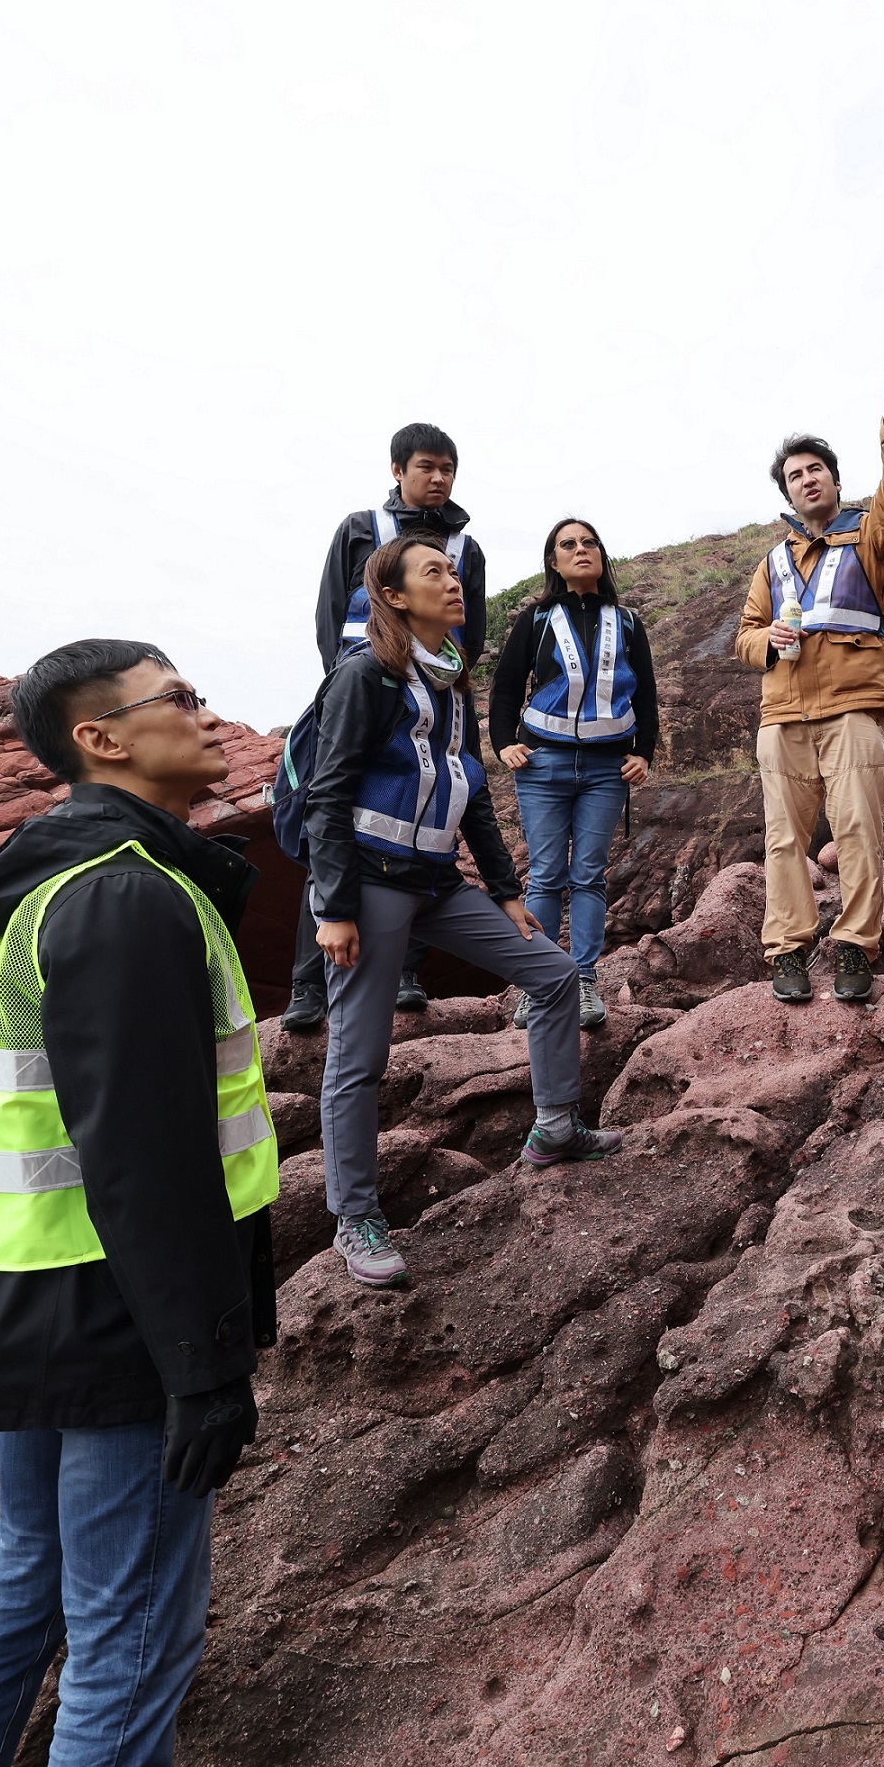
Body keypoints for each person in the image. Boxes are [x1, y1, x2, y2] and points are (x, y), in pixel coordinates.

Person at [0, 639, 275, 1767]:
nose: (205, 713)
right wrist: (202, 1363)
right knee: (130, 1636)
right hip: (112, 1315)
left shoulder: (59, 880)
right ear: (101, 738)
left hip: (32, 1287)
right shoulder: (126, 898)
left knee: (22, 1578)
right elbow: (147, 1155)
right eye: (179, 698)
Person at [306, 534, 619, 1289]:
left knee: (551, 977)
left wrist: (509, 892)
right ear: (393, 596)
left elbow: (472, 793)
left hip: (438, 881)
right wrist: (335, 907)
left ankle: (554, 1128)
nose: (454, 584)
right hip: (372, 883)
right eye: (434, 574)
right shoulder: (364, 678)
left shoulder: (450, 680)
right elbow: (327, 794)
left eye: (453, 573)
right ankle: (355, 1216)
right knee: (360, 1055)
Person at [735, 345, 884, 1005]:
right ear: (785, 492)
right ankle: (787, 949)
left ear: (836, 481)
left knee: (856, 832)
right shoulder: (771, 563)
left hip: (851, 709)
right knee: (784, 840)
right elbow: (742, 636)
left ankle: (853, 947)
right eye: (794, 475)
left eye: (816, 469)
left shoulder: (871, 537)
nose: (806, 479)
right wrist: (767, 639)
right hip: (781, 715)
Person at [284, 422, 489, 1032]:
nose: (439, 478)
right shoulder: (360, 528)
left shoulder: (464, 548)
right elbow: (330, 610)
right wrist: (345, 685)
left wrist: (451, 682)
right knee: (335, 814)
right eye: (427, 466)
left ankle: (406, 971)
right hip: (364, 685)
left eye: (448, 469)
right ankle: (306, 985)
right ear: (398, 470)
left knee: (432, 812)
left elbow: (470, 623)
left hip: (436, 690)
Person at [488, 517, 659, 1031]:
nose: (581, 550)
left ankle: (583, 981)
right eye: (569, 545)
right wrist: (503, 746)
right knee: (543, 875)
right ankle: (537, 983)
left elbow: (646, 694)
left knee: (588, 876)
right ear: (553, 562)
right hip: (543, 765)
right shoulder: (535, 619)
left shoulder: (628, 621)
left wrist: (643, 753)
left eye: (589, 543)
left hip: (608, 768)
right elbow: (504, 688)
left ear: (601, 556)